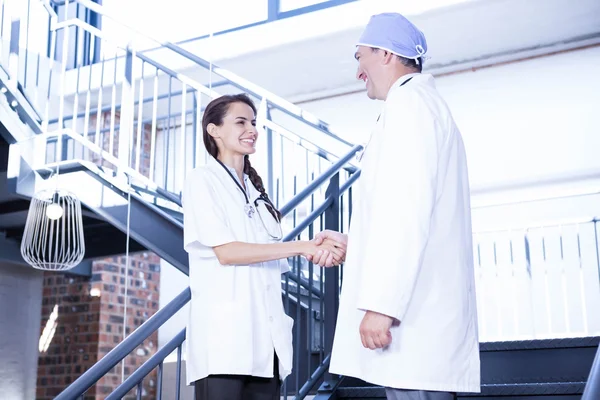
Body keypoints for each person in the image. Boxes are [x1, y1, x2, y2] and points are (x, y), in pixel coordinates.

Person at [308, 12, 481, 400]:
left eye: (360, 56)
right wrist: (358, 242)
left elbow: (407, 212)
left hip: (414, 328)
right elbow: (410, 211)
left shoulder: (410, 106)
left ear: (385, 54)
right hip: (420, 325)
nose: (357, 71)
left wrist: (381, 306)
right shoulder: (418, 106)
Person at [182, 93, 345, 400]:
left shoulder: (257, 193)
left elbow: (268, 257)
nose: (252, 129)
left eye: (254, 123)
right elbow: (228, 252)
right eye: (241, 121)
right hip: (225, 346)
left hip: (266, 345)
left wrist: (315, 249)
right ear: (214, 130)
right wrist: (301, 246)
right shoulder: (202, 180)